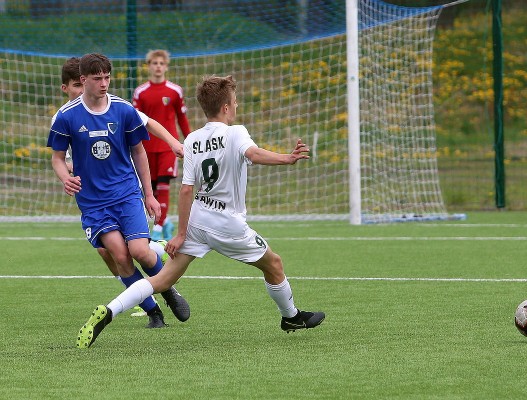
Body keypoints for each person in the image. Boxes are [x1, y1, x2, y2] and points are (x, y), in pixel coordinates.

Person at [76, 75, 325, 349]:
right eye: (235, 102)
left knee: (161, 280)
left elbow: (186, 191)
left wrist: (181, 234)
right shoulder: (236, 132)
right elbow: (253, 154)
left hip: (197, 220)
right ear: (226, 108)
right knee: (274, 264)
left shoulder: (193, 139)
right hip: (227, 224)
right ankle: (291, 317)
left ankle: (110, 310)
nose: (236, 106)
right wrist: (287, 158)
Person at [48, 53, 190, 337]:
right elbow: (57, 158)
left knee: (140, 251)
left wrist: (149, 194)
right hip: (93, 203)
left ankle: (167, 288)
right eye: (97, 78)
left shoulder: (123, 109)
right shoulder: (65, 116)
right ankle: (153, 311)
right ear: (83, 80)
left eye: (107, 78)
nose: (104, 83)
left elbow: (139, 150)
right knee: (120, 256)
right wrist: (66, 178)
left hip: (126, 193)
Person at [132, 49, 191, 241]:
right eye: (154, 63)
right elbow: (135, 121)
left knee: (164, 185)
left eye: (161, 63)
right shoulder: (140, 92)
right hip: (147, 148)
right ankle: (165, 222)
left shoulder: (175, 91)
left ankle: (157, 229)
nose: (158, 66)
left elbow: (182, 118)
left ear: (166, 66)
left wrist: (189, 141)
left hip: (167, 146)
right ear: (148, 66)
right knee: (152, 189)